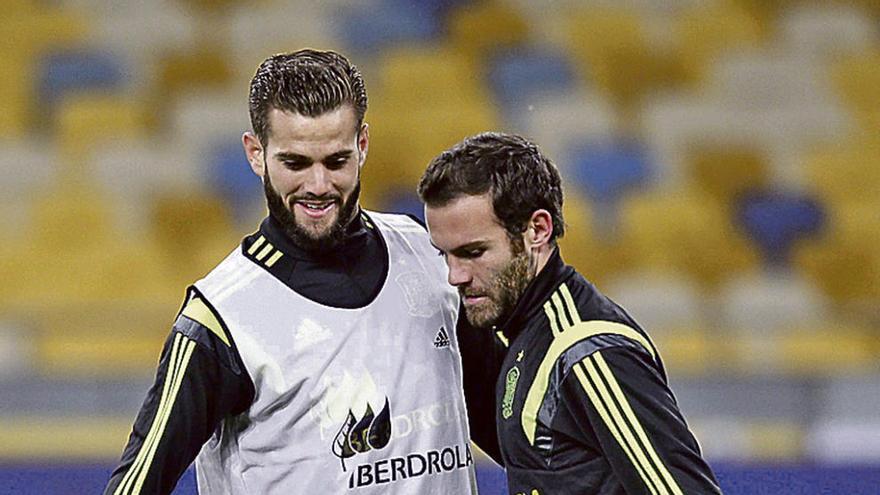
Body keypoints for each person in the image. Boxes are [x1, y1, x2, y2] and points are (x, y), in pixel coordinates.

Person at [104, 49, 478, 495]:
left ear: (362, 145)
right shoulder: (221, 318)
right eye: (295, 163)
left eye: (336, 161)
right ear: (255, 153)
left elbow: (507, 414)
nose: (318, 186)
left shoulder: (426, 252)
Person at [418, 132, 722, 495]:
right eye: (445, 255)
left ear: (537, 230)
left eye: (474, 252)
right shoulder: (528, 334)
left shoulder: (586, 351)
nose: (456, 276)